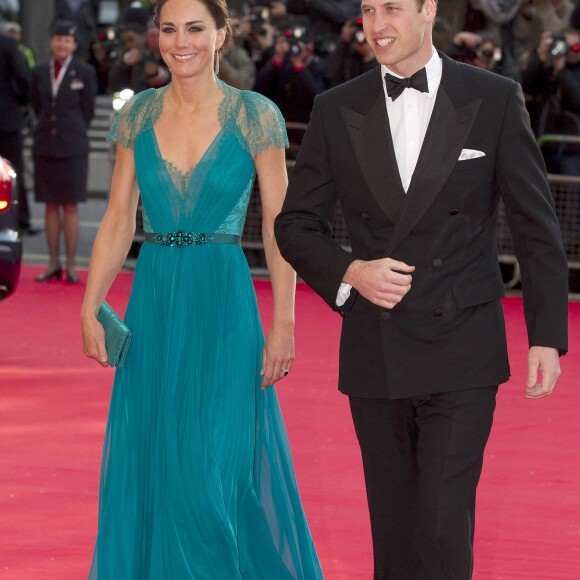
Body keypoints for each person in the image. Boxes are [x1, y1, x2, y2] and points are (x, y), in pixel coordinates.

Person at [275, 0, 569, 578]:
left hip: (462, 345)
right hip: (376, 348)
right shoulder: (337, 109)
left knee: (441, 521)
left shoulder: (492, 97)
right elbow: (294, 226)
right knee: (395, 532)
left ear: (429, 10)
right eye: (367, 10)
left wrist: (546, 335)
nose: (377, 24)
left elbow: (537, 226)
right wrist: (351, 272)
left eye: (392, 9)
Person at [81, 0, 323, 577]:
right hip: (155, 303)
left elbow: (277, 224)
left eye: (194, 28)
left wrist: (284, 323)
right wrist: (91, 305)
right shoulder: (137, 115)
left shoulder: (253, 115)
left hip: (224, 305)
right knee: (158, 467)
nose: (179, 41)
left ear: (221, 37)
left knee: (209, 470)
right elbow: (119, 218)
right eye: (168, 29)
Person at [31, 20, 97, 283]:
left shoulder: (85, 72)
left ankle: (70, 265)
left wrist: (72, 129)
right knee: (49, 206)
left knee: (70, 206)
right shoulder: (38, 72)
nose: (61, 44)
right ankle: (52, 263)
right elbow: (36, 104)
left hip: (73, 146)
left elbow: (88, 110)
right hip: (46, 143)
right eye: (58, 39)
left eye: (67, 40)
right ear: (51, 42)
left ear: (74, 45)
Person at [522, 28, 580, 176]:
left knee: (569, 194)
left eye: (576, 47)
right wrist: (541, 56)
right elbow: (527, 86)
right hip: (543, 145)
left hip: (572, 149)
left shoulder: (567, 72)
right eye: (567, 46)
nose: (572, 51)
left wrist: (561, 71)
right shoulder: (548, 70)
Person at [0, 32, 31, 234]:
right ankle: (20, 219)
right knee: (14, 170)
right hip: (7, 117)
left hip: (7, 116)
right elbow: (23, 75)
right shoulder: (8, 43)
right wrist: (22, 102)